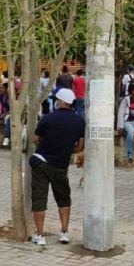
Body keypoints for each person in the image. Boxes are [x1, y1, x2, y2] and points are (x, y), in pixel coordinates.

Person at [30, 88, 84, 245]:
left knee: (39, 199)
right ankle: (64, 232)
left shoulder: (48, 118)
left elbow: (35, 139)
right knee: (64, 198)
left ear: (60, 102)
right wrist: (66, 149)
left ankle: (40, 235)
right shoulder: (79, 121)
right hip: (61, 165)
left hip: (41, 162)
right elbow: (79, 147)